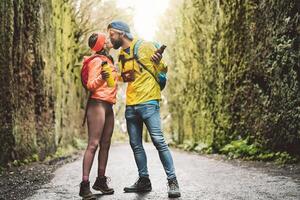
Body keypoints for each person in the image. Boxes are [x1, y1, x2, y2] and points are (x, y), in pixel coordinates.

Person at [106, 20, 181, 198]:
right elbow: (128, 78)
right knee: (135, 144)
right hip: (131, 105)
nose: (110, 39)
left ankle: (173, 181)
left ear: (121, 33)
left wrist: (158, 60)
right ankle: (144, 180)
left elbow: (163, 67)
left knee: (158, 141)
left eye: (112, 35)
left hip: (149, 102)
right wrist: (114, 75)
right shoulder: (122, 54)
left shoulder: (145, 46)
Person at [79, 33, 117, 199]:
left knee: (106, 143)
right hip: (97, 104)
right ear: (101, 44)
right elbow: (90, 85)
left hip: (109, 105)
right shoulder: (96, 61)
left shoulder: (108, 60)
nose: (109, 40)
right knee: (93, 144)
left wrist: (122, 77)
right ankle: (84, 185)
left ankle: (100, 181)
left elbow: (112, 82)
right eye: (106, 39)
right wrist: (103, 77)